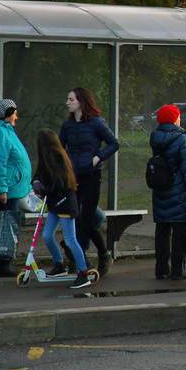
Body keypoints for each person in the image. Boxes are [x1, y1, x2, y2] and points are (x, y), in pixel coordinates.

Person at [60, 87, 119, 275]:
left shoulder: (96, 123)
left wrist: (98, 157)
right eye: (68, 99)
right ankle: (77, 259)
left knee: (86, 221)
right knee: (73, 219)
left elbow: (114, 143)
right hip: (73, 177)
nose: (67, 103)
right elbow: (59, 148)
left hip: (92, 176)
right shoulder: (67, 126)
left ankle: (104, 254)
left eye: (71, 99)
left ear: (81, 102)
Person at [150, 104, 186, 281]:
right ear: (175, 118)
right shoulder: (181, 138)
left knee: (162, 231)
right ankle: (177, 271)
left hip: (161, 189)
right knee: (179, 232)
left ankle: (161, 270)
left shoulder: (155, 136)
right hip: (179, 191)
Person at [33, 129, 93, 289]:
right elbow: (40, 174)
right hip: (55, 204)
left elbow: (59, 183)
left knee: (70, 240)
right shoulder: (46, 158)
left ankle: (83, 273)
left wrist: (43, 188)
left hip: (65, 203)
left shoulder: (58, 158)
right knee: (47, 235)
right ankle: (59, 264)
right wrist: (36, 182)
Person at [0, 99, 30, 277]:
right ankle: (1, 263)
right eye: (15, 112)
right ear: (7, 114)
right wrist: (1, 189)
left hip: (11, 189)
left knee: (5, 224)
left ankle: (2, 262)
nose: (17, 115)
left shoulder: (5, 130)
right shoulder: (0, 132)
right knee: (4, 225)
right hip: (6, 190)